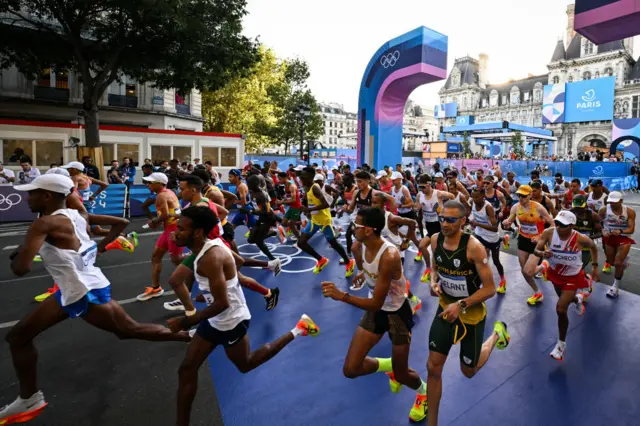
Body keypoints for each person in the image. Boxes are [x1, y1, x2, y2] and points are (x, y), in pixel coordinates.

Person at [1, 175, 188, 425]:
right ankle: (29, 397)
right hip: (77, 286)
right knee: (18, 337)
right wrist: (100, 247)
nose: (27, 198)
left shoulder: (44, 224)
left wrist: (20, 252)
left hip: (81, 290)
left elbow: (21, 269)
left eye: (32, 193)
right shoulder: (77, 215)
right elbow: (121, 222)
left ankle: (191, 334)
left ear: (47, 196)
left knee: (130, 330)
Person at [168, 207, 318, 426]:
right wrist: (211, 290)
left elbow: (222, 303)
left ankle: (299, 329)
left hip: (231, 321)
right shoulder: (207, 248)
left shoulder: (211, 256)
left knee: (246, 364)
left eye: (181, 229)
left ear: (198, 232)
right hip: (214, 320)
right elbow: (237, 264)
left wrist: (186, 320)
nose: (176, 232)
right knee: (187, 369)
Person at [321, 207, 428, 423]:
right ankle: (387, 365)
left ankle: (423, 392)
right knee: (351, 369)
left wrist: (342, 296)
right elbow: (375, 281)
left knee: (402, 375)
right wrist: (363, 274)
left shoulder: (389, 255)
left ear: (369, 230)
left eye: (357, 226)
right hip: (376, 312)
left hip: (397, 314)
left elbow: (377, 301)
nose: (353, 228)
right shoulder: (360, 246)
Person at [426, 200, 510, 426]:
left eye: (450, 220)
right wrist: (434, 282)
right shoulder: (435, 240)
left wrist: (461, 304)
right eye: (441, 218)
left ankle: (495, 337)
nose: (443, 223)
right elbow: (435, 267)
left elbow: (490, 289)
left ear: (463, 221)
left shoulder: (474, 247)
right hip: (445, 309)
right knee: (433, 367)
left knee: (469, 371)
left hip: (470, 314)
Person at [524, 211, 600, 360]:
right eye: (557, 223)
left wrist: (595, 267)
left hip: (572, 276)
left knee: (560, 309)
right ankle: (578, 299)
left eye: (563, 225)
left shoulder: (580, 238)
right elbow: (536, 249)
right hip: (555, 273)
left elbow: (594, 248)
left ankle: (561, 344)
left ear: (571, 226)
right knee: (564, 301)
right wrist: (542, 253)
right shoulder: (548, 233)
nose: (558, 227)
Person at [297, 167, 356, 276]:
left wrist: (309, 209)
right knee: (301, 243)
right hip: (314, 220)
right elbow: (309, 202)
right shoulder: (306, 187)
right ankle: (321, 260)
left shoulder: (315, 188)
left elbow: (326, 204)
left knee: (333, 244)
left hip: (324, 221)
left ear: (310, 177)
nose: (301, 179)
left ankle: (349, 262)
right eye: (300, 177)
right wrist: (305, 209)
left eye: (303, 177)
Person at [502, 185, 555, 304]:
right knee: (524, 271)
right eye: (519, 195)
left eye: (524, 196)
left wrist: (540, 236)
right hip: (523, 240)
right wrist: (507, 223)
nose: (521, 198)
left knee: (528, 271)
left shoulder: (539, 208)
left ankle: (544, 266)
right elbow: (510, 220)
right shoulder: (516, 207)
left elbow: (553, 225)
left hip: (537, 242)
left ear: (530, 195)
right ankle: (537, 292)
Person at [138, 172, 184, 301]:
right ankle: (156, 288)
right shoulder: (169, 192)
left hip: (174, 231)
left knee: (177, 260)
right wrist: (157, 221)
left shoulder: (161, 196)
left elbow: (164, 215)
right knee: (156, 257)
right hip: (170, 229)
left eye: (151, 183)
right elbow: (173, 212)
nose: (148, 185)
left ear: (160, 184)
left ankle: (204, 272)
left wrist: (153, 222)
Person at [415, 174, 455, 283]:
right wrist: (417, 208)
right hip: (429, 227)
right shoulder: (419, 195)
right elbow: (416, 206)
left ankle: (439, 271)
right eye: (420, 187)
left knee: (436, 251)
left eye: (423, 187)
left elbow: (452, 196)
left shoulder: (439, 194)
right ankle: (429, 269)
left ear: (429, 184)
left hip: (440, 226)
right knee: (422, 246)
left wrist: (446, 209)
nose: (422, 189)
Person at [599, 191, 636, 298]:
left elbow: (631, 229)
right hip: (609, 238)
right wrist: (603, 231)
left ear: (621, 201)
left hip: (623, 238)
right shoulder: (603, 210)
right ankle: (623, 261)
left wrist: (620, 231)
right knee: (611, 262)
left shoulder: (629, 211)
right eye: (611, 202)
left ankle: (615, 287)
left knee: (618, 263)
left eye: (615, 202)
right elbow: (599, 223)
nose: (612, 204)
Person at [469, 187, 506, 293]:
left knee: (496, 261)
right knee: (477, 259)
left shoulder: (488, 207)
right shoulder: (472, 202)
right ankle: (478, 281)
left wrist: (477, 224)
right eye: (473, 196)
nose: (474, 199)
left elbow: (494, 228)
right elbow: (472, 215)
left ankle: (503, 281)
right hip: (479, 235)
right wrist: (471, 222)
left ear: (483, 196)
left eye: (477, 197)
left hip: (491, 238)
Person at [571, 194, 603, 298]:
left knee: (578, 267)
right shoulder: (569, 213)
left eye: (580, 208)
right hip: (571, 246)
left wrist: (587, 238)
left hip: (586, 247)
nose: (577, 210)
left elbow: (600, 232)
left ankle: (585, 284)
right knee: (574, 268)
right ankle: (586, 280)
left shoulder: (593, 216)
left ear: (585, 205)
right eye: (576, 207)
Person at [277, 172, 303, 240]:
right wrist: (281, 200)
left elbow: (294, 200)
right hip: (291, 207)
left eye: (280, 179)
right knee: (283, 223)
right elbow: (288, 197)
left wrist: (282, 202)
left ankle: (299, 239)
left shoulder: (292, 186)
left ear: (285, 178)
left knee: (291, 225)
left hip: (296, 207)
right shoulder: (285, 185)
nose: (279, 181)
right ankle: (302, 223)